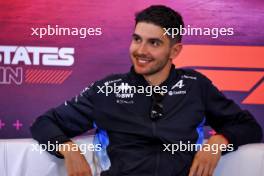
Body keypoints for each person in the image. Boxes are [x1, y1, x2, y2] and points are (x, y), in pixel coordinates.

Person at [30, 5, 262, 176]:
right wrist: (69, 150)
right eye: (137, 39)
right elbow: (43, 124)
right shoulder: (108, 89)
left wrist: (218, 142)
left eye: (154, 43)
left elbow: (248, 126)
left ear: (175, 50)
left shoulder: (196, 85)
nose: (141, 50)